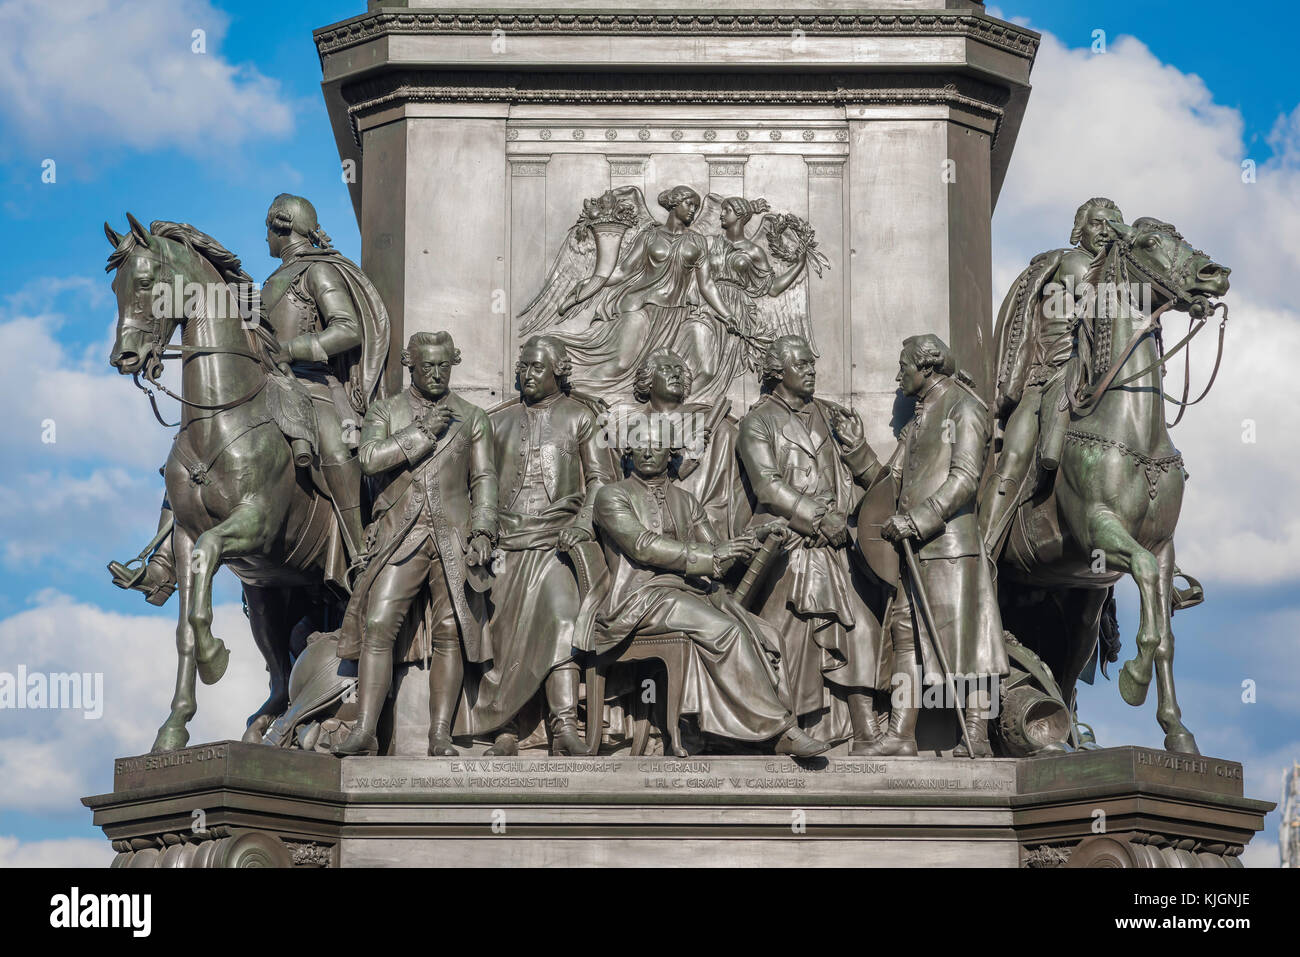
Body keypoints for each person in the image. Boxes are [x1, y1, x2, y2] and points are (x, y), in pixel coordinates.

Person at [578, 439, 831, 757]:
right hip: (640, 598)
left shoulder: (686, 500)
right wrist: (712, 554)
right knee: (725, 631)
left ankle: (732, 734)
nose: (646, 452)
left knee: (768, 635)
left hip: (691, 595)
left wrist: (753, 540)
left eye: (656, 445)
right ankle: (778, 731)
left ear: (670, 454)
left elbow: (718, 556)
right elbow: (642, 545)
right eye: (638, 445)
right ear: (627, 453)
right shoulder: (611, 495)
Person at [332, 332, 496, 757]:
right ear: (412, 366)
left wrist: (482, 532)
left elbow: (483, 481)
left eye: (445, 365)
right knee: (378, 624)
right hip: (401, 534)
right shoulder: (387, 411)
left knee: (450, 632)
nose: (439, 374)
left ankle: (440, 733)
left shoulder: (474, 417)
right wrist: (421, 432)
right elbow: (368, 459)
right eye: (429, 367)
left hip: (452, 538)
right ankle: (365, 730)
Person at [467, 335, 616, 756]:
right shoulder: (496, 422)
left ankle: (564, 723)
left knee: (562, 614)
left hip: (557, 540)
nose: (527, 375)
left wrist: (584, 524)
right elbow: (483, 484)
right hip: (506, 542)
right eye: (523, 367)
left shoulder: (582, 418)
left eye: (536, 367)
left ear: (558, 372)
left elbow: (602, 480)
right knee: (496, 625)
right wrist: (483, 531)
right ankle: (505, 728)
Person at [736, 334, 886, 753]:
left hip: (836, 549)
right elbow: (768, 487)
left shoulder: (832, 416)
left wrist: (856, 448)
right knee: (794, 641)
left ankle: (865, 730)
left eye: (812, 364)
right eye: (800, 364)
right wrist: (818, 517)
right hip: (790, 549)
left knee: (860, 627)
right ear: (777, 371)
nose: (811, 370)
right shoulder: (758, 422)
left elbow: (866, 476)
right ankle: (788, 729)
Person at [859, 334, 1008, 757]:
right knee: (905, 637)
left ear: (926, 367)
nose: (897, 375)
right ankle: (901, 735)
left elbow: (964, 480)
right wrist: (854, 450)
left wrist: (918, 519)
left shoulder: (965, 407)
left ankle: (976, 734)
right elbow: (891, 476)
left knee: (968, 640)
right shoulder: (920, 419)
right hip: (912, 549)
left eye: (903, 366)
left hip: (949, 548)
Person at [982, 197, 1125, 554]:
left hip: (1095, 385)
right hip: (1047, 379)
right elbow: (1107, 304)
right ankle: (980, 554)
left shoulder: (1118, 275)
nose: (1105, 231)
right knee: (1014, 459)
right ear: (1081, 229)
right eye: (1097, 223)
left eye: (1113, 224)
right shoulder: (1075, 262)